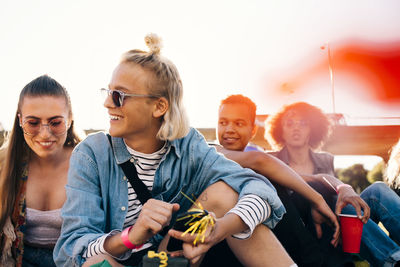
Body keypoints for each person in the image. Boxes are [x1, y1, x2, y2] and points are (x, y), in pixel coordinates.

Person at [54, 34, 295, 267]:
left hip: (169, 258)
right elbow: (71, 248)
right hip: (118, 261)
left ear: (159, 106)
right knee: (98, 263)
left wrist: (219, 229)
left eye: (119, 96)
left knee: (224, 194)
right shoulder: (92, 154)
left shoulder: (189, 146)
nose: (107, 103)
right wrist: (131, 236)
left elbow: (261, 191)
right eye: (108, 92)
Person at [266, 101, 400, 267]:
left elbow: (337, 199)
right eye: (289, 123)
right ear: (280, 130)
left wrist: (345, 190)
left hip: (334, 227)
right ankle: (393, 261)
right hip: (301, 230)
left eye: (303, 123)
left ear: (312, 129)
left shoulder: (326, 159)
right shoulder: (269, 160)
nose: (296, 128)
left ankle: (395, 258)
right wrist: (322, 184)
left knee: (377, 191)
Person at [215, 94, 341, 266]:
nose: (229, 129)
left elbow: (310, 178)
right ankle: (315, 261)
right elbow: (261, 161)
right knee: (271, 181)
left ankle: (325, 260)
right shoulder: (211, 151)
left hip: (249, 237)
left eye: (239, 123)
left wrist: (342, 187)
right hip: (216, 240)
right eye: (223, 123)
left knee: (280, 182)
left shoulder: (256, 163)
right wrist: (317, 200)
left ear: (253, 130)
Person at [0, 75, 81, 267]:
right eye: (33, 123)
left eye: (55, 122)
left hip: (75, 261)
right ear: (20, 120)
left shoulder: (89, 163)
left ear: (70, 119)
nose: (45, 134)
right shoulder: (5, 163)